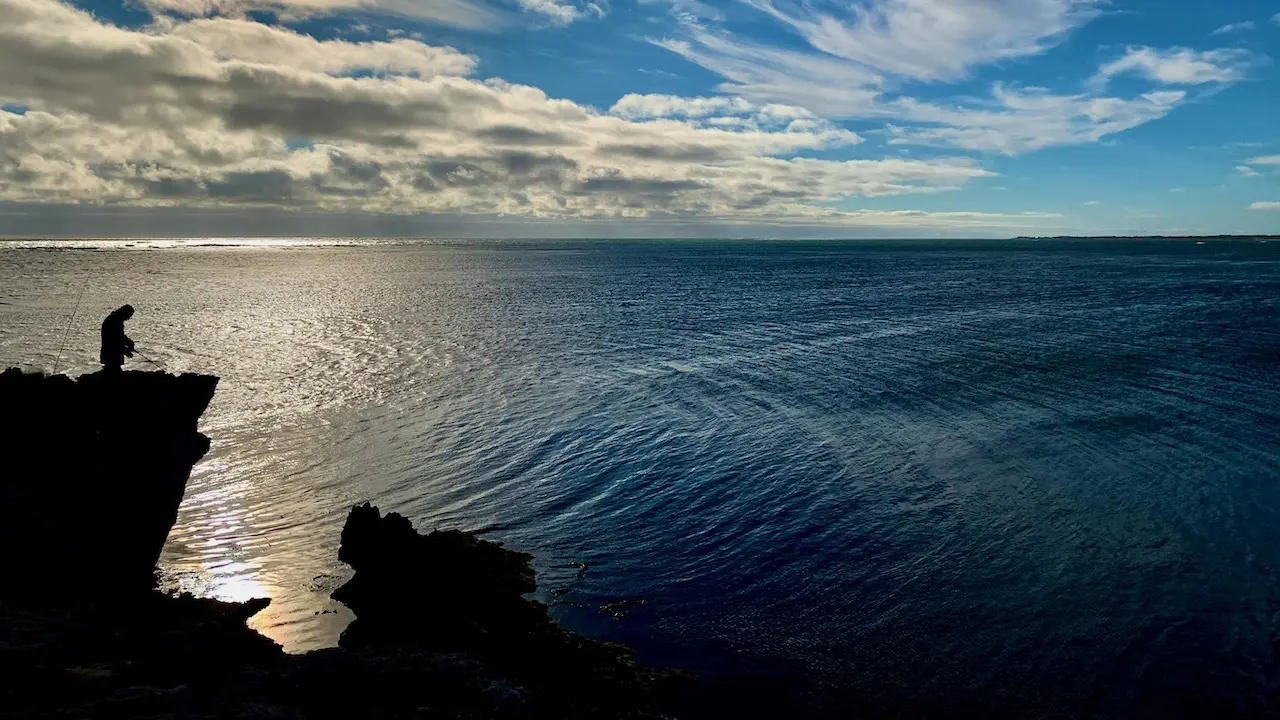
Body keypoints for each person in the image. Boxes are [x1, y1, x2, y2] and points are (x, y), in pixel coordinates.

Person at [100, 305, 136, 373]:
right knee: (113, 372)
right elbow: (115, 340)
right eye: (129, 316)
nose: (128, 318)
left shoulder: (115, 318)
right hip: (111, 355)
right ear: (125, 313)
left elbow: (119, 337)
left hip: (109, 354)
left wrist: (128, 343)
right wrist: (126, 349)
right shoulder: (115, 321)